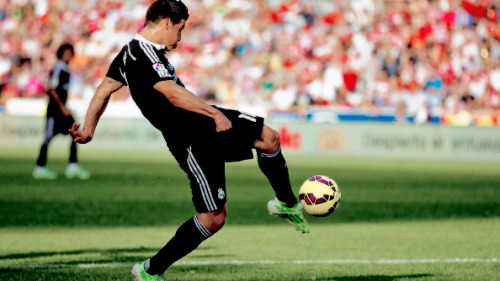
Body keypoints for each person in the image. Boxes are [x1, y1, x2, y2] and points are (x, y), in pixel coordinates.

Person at [68, 1, 309, 280]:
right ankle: (150, 270)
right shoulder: (139, 55)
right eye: (180, 29)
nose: (180, 37)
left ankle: (286, 203)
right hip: (191, 140)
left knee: (269, 138)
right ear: (166, 22)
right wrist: (214, 113)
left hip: (202, 122)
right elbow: (170, 93)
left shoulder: (131, 54)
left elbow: (103, 89)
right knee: (214, 218)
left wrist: (88, 129)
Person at [33, 43, 90, 180]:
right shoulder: (59, 68)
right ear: (61, 54)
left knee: (75, 133)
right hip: (55, 110)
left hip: (61, 109)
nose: (68, 55)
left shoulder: (65, 69)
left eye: (70, 52)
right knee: (48, 137)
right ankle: (40, 167)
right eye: (66, 53)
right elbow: (51, 88)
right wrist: (62, 107)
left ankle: (73, 166)